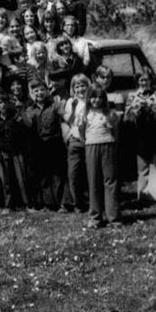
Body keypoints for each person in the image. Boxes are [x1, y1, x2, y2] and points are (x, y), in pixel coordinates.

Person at [124, 70, 156, 208]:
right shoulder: (132, 96)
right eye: (141, 80)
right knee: (143, 168)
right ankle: (144, 196)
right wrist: (136, 109)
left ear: (151, 80)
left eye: (146, 80)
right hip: (140, 136)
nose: (144, 83)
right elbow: (127, 116)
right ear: (137, 81)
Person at [22, 79, 68, 211]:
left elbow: (65, 117)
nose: (39, 93)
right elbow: (28, 126)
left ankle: (62, 203)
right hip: (40, 146)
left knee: (58, 175)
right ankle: (49, 204)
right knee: (44, 176)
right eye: (36, 91)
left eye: (42, 89)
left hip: (55, 143)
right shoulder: (30, 109)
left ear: (47, 91)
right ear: (32, 93)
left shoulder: (54, 105)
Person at [80, 86, 121, 228]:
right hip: (91, 146)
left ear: (104, 99)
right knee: (93, 181)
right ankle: (95, 218)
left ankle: (113, 217)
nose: (96, 100)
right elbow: (81, 132)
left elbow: (116, 131)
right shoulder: (85, 114)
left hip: (108, 145)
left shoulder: (110, 113)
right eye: (93, 97)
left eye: (100, 97)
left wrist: (112, 142)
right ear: (88, 98)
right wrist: (88, 142)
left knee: (110, 181)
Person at [63, 74, 91, 213]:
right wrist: (74, 109)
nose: (80, 89)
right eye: (77, 86)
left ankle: (93, 200)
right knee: (73, 173)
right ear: (73, 88)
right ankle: (77, 202)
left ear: (88, 86)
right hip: (75, 140)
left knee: (90, 172)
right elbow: (68, 120)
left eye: (82, 85)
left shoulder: (92, 99)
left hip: (91, 139)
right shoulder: (71, 102)